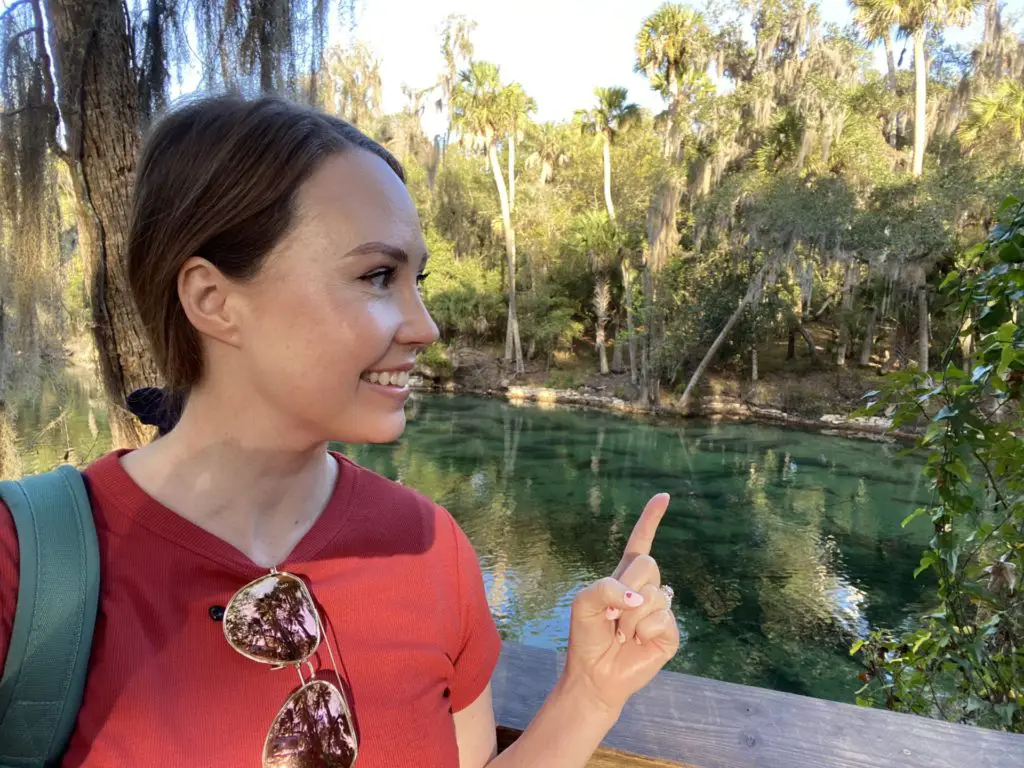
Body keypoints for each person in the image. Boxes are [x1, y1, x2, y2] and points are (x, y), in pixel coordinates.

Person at [0, 95, 678, 767]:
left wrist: (590, 691)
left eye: (418, 280)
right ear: (213, 300)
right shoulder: (23, 569)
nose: (426, 328)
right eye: (378, 276)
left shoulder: (429, 547)